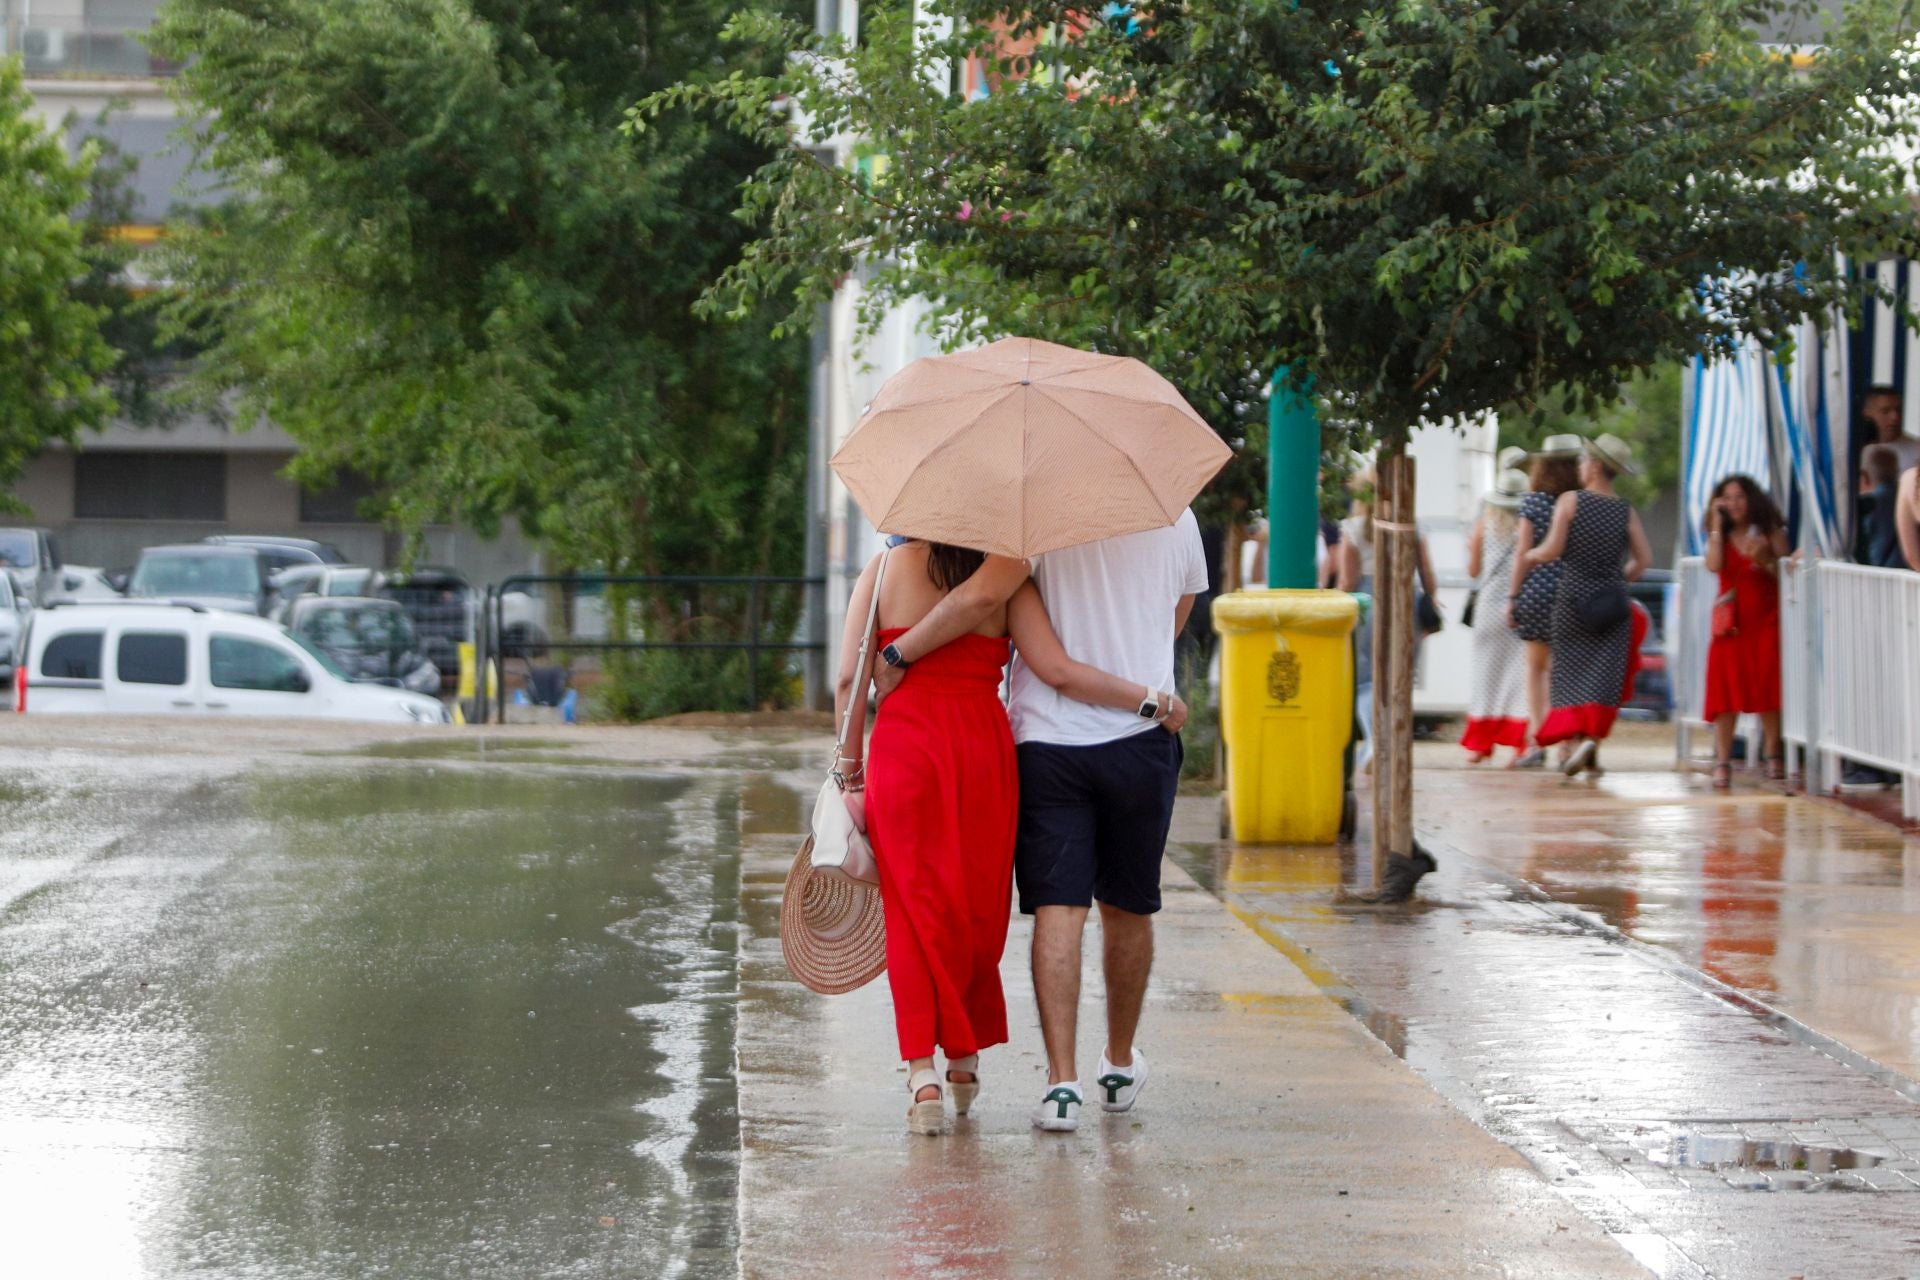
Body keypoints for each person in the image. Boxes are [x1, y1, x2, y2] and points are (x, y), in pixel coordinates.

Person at [835, 539, 1189, 1136]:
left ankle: (922, 1071)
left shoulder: (882, 571)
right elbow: (1055, 669)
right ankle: (965, 1062)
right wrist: (1154, 702)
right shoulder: (1006, 581)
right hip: (983, 753)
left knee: (911, 910)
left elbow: (849, 680)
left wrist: (850, 771)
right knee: (973, 907)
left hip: (906, 754)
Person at [1522, 434, 1654, 777]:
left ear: (1594, 467)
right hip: (1612, 605)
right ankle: (1590, 742)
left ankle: (1571, 745)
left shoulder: (1570, 501)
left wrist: (1532, 554)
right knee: (1601, 678)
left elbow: (1552, 549)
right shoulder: (1625, 510)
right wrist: (1616, 582)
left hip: (1573, 602)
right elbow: (1643, 560)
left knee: (1568, 675)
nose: (1580, 467)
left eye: (1583, 462)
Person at [1701, 475, 1790, 789]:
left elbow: (1785, 572)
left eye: (1740, 496)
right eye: (1727, 497)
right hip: (1730, 623)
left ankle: (1774, 753)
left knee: (1767, 686)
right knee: (1725, 691)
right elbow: (1713, 565)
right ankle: (1722, 760)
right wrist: (1715, 523)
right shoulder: (1721, 536)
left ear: (1752, 499)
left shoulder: (1770, 532)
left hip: (1765, 617)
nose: (1734, 503)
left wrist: (1764, 558)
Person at [1505, 435, 1583, 768]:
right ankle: (1567, 745)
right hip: (1573, 591)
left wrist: (1513, 595)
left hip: (1537, 590)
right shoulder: (1583, 501)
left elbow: (1523, 552)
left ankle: (1537, 741)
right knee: (1566, 672)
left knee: (1535, 669)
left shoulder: (1533, 502)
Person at [1460, 469, 1531, 762]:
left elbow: (1474, 571)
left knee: (1485, 675)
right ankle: (1519, 744)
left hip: (1488, 609)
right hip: (1520, 607)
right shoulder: (1530, 528)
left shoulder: (1483, 525)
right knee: (1519, 678)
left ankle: (1480, 746)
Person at [1858, 444, 1905, 568]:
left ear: (1864, 475)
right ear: (1896, 470)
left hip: (1879, 577)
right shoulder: (1905, 497)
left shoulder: (1869, 504)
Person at [1862, 385, 1920, 473]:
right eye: (1885, 411)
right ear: (1867, 414)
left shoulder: (1917, 450)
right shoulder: (1857, 451)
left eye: (1898, 410)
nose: (1895, 417)